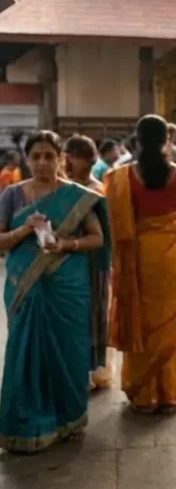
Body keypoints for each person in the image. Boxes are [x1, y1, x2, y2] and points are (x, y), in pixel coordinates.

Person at [0, 131, 109, 452]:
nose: (42, 163)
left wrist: (65, 244)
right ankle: (26, 426)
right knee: (26, 352)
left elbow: (97, 238)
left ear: (61, 158)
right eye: (36, 157)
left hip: (68, 291)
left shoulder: (75, 196)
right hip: (27, 289)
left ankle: (68, 420)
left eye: (49, 156)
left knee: (67, 353)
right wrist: (25, 229)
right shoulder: (12, 195)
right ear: (26, 159)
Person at [106, 115, 176, 414]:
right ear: (168, 142)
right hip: (171, 258)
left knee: (141, 320)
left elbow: (112, 221)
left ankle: (144, 394)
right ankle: (168, 392)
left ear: (137, 142)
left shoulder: (122, 177)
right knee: (170, 323)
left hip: (138, 257)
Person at [63, 134, 115, 390]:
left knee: (90, 317)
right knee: (88, 317)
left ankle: (89, 371)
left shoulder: (92, 191)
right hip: (82, 262)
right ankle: (91, 371)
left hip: (92, 263)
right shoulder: (85, 187)